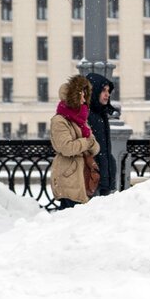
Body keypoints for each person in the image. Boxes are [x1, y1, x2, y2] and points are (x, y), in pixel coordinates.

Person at [50, 75, 101, 210]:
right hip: (68, 177)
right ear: (72, 98)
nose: (84, 100)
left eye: (85, 96)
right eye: (81, 96)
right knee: (69, 215)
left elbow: (96, 147)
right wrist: (87, 143)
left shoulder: (81, 121)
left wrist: (88, 143)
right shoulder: (59, 121)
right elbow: (66, 148)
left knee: (79, 217)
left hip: (83, 175)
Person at [85, 72, 117, 196]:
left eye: (108, 91)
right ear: (94, 91)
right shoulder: (86, 115)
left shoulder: (101, 114)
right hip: (91, 178)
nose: (107, 94)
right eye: (103, 90)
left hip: (103, 176)